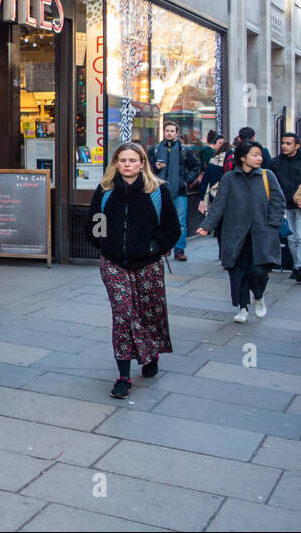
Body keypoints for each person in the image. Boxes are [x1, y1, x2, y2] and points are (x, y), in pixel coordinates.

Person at [87, 142, 180, 399]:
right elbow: (95, 226)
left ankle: (151, 354)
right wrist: (106, 245)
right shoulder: (105, 190)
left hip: (147, 265)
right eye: (122, 160)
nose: (127, 164)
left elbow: (171, 229)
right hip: (113, 264)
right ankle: (124, 376)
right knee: (123, 315)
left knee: (148, 313)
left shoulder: (157, 191)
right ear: (116, 163)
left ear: (142, 164)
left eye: (132, 160)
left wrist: (152, 248)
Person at [196, 140, 285, 323]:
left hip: (262, 233)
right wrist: (207, 225)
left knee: (260, 271)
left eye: (260, 155)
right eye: (255, 155)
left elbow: (278, 202)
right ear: (243, 157)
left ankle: (258, 296)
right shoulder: (229, 178)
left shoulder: (267, 176)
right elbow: (219, 205)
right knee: (238, 271)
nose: (259, 158)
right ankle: (242, 307)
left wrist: (273, 225)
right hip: (235, 234)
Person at [147, 122, 200, 262]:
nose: (169, 133)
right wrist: (154, 166)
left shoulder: (185, 150)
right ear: (163, 132)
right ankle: (164, 247)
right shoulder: (155, 150)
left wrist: (186, 181)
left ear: (177, 133)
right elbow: (146, 169)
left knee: (180, 222)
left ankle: (179, 249)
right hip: (159, 191)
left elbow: (196, 166)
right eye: (167, 130)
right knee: (159, 220)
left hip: (179, 191)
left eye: (172, 131)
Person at [270, 132, 301, 280]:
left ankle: (299, 267)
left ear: (297, 145)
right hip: (284, 205)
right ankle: (296, 266)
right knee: (291, 238)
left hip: (299, 204)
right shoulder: (275, 162)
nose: (284, 146)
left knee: (300, 237)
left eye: (288, 143)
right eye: (283, 143)